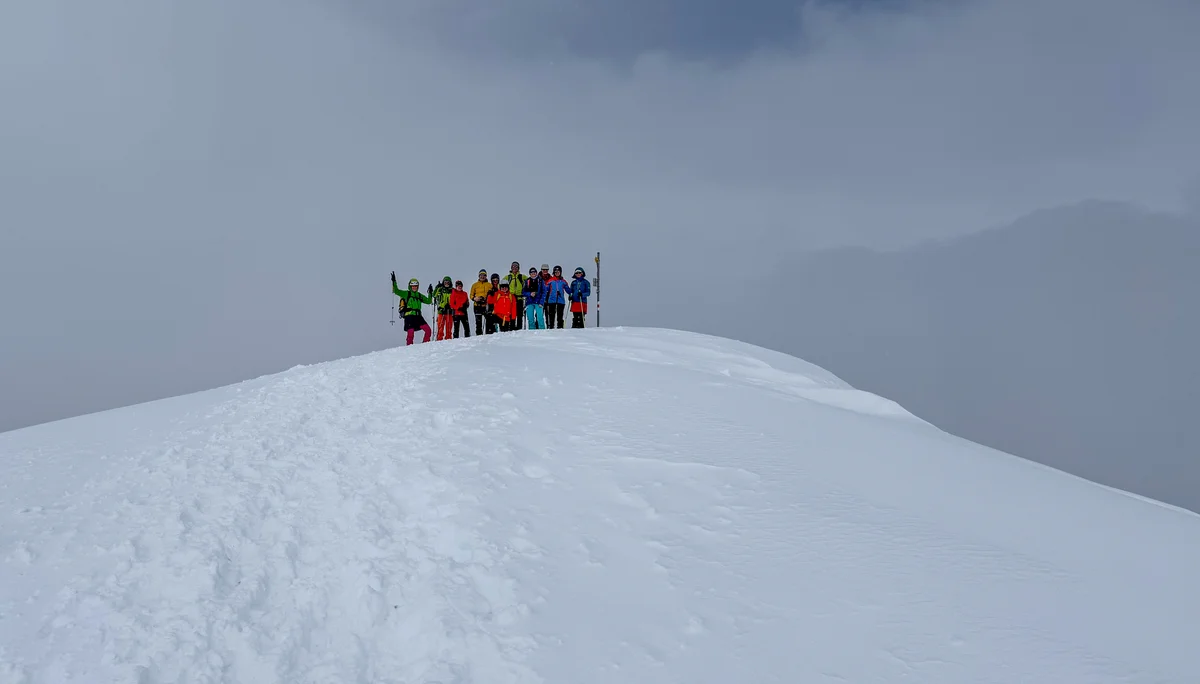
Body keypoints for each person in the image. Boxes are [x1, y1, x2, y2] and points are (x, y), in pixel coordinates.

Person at [391, 271, 432, 345]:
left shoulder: (419, 295)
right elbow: (396, 291)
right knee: (411, 333)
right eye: (412, 286)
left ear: (417, 286)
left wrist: (430, 293)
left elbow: (429, 301)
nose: (414, 287)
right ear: (410, 286)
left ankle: (425, 345)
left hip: (418, 316)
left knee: (428, 330)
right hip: (409, 316)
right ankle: (409, 349)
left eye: (416, 286)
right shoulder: (407, 293)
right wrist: (394, 281)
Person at [504, 261, 527, 330]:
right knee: (511, 314)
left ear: (518, 268)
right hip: (511, 298)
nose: (514, 268)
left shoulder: (522, 276)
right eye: (513, 266)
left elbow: (530, 282)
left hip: (520, 298)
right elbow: (501, 286)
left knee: (519, 314)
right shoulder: (507, 277)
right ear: (511, 268)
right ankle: (512, 328)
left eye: (516, 266)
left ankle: (519, 328)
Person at [544, 265, 568, 329]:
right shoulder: (551, 280)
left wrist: (571, 293)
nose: (557, 272)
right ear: (554, 272)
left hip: (561, 300)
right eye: (555, 271)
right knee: (551, 315)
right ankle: (551, 327)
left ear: (560, 272)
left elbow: (568, 289)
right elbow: (546, 289)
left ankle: (560, 327)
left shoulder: (563, 281)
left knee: (560, 314)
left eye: (558, 271)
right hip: (552, 299)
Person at [469, 269, 492, 336]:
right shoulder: (474, 285)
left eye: (484, 275)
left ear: (486, 276)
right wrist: (474, 298)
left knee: (488, 321)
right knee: (478, 323)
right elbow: (471, 295)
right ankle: (479, 336)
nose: (482, 277)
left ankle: (488, 335)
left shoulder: (489, 285)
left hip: (486, 305)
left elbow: (492, 294)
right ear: (479, 276)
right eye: (481, 275)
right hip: (477, 305)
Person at [431, 276, 455, 341]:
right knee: (440, 327)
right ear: (443, 282)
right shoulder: (440, 289)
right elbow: (434, 295)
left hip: (450, 311)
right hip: (441, 310)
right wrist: (436, 288)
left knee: (449, 327)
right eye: (445, 282)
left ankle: (448, 339)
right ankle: (439, 340)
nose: (446, 283)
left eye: (448, 282)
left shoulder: (453, 290)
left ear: (450, 283)